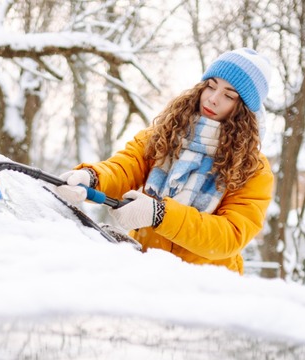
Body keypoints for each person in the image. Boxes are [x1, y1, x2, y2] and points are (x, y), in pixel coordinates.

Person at [55, 48, 274, 274]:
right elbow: (127, 166)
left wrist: (160, 214)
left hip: (206, 287)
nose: (213, 98)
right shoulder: (166, 133)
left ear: (244, 110)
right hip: (145, 272)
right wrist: (91, 178)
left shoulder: (253, 168)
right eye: (211, 85)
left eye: (229, 95)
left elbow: (229, 235)